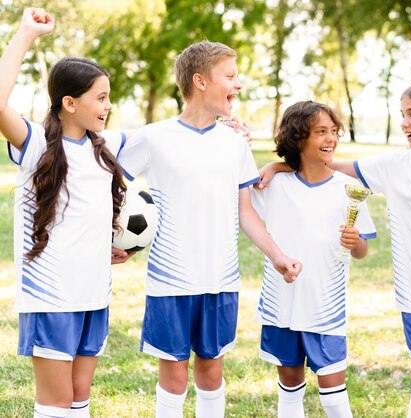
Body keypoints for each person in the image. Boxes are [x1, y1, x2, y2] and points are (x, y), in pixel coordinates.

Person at [259, 82, 411, 418]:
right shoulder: (394, 165)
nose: (405, 122)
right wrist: (279, 166)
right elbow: (328, 166)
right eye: (402, 114)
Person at [116, 41, 302, 418]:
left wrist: (279, 256)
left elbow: (245, 212)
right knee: (172, 377)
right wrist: (116, 240)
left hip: (221, 278)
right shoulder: (154, 136)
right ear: (200, 81)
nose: (239, 84)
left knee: (212, 370)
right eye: (230, 76)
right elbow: (113, 185)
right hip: (172, 279)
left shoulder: (234, 141)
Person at [0, 8, 131, 418]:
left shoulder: (103, 148)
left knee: (79, 398)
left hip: (94, 292)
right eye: (101, 97)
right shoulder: (37, 144)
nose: (108, 106)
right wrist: (25, 35)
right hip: (52, 297)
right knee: (55, 406)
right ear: (70, 102)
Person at [251, 101, 376, 418]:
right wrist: (275, 166)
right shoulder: (275, 185)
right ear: (298, 138)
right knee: (290, 386)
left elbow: (362, 252)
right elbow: (242, 201)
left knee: (333, 394)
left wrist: (355, 241)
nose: (331, 138)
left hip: (325, 306)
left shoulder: (349, 189)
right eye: (321, 132)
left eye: (334, 131)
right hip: (282, 303)